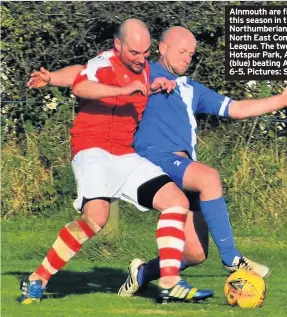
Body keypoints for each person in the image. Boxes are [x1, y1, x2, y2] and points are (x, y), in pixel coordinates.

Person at [19, 19, 214, 305]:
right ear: (118, 45)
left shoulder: (145, 69)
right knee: (96, 219)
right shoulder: (105, 63)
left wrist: (155, 85)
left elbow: (90, 74)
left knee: (176, 201)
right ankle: (38, 279)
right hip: (92, 149)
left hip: (125, 153)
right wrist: (122, 90)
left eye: (146, 53)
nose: (140, 59)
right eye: (134, 53)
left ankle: (170, 281)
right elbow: (82, 85)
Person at [117, 26, 287, 297]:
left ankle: (143, 273)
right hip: (154, 161)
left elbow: (235, 108)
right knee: (209, 177)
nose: (187, 58)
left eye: (191, 54)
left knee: (195, 254)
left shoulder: (190, 89)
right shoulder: (143, 73)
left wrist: (281, 100)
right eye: (181, 51)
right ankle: (232, 258)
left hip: (185, 172)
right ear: (162, 48)